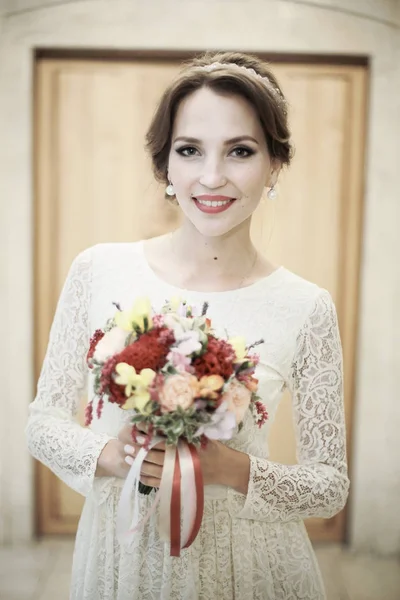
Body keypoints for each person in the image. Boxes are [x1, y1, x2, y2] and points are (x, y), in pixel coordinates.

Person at [25, 51, 350, 600]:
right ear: (165, 167)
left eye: (241, 151)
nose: (212, 176)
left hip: (246, 566)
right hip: (118, 557)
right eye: (189, 150)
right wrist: (113, 455)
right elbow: (42, 423)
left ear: (275, 165)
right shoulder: (98, 270)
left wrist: (227, 468)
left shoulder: (305, 306)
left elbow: (328, 487)